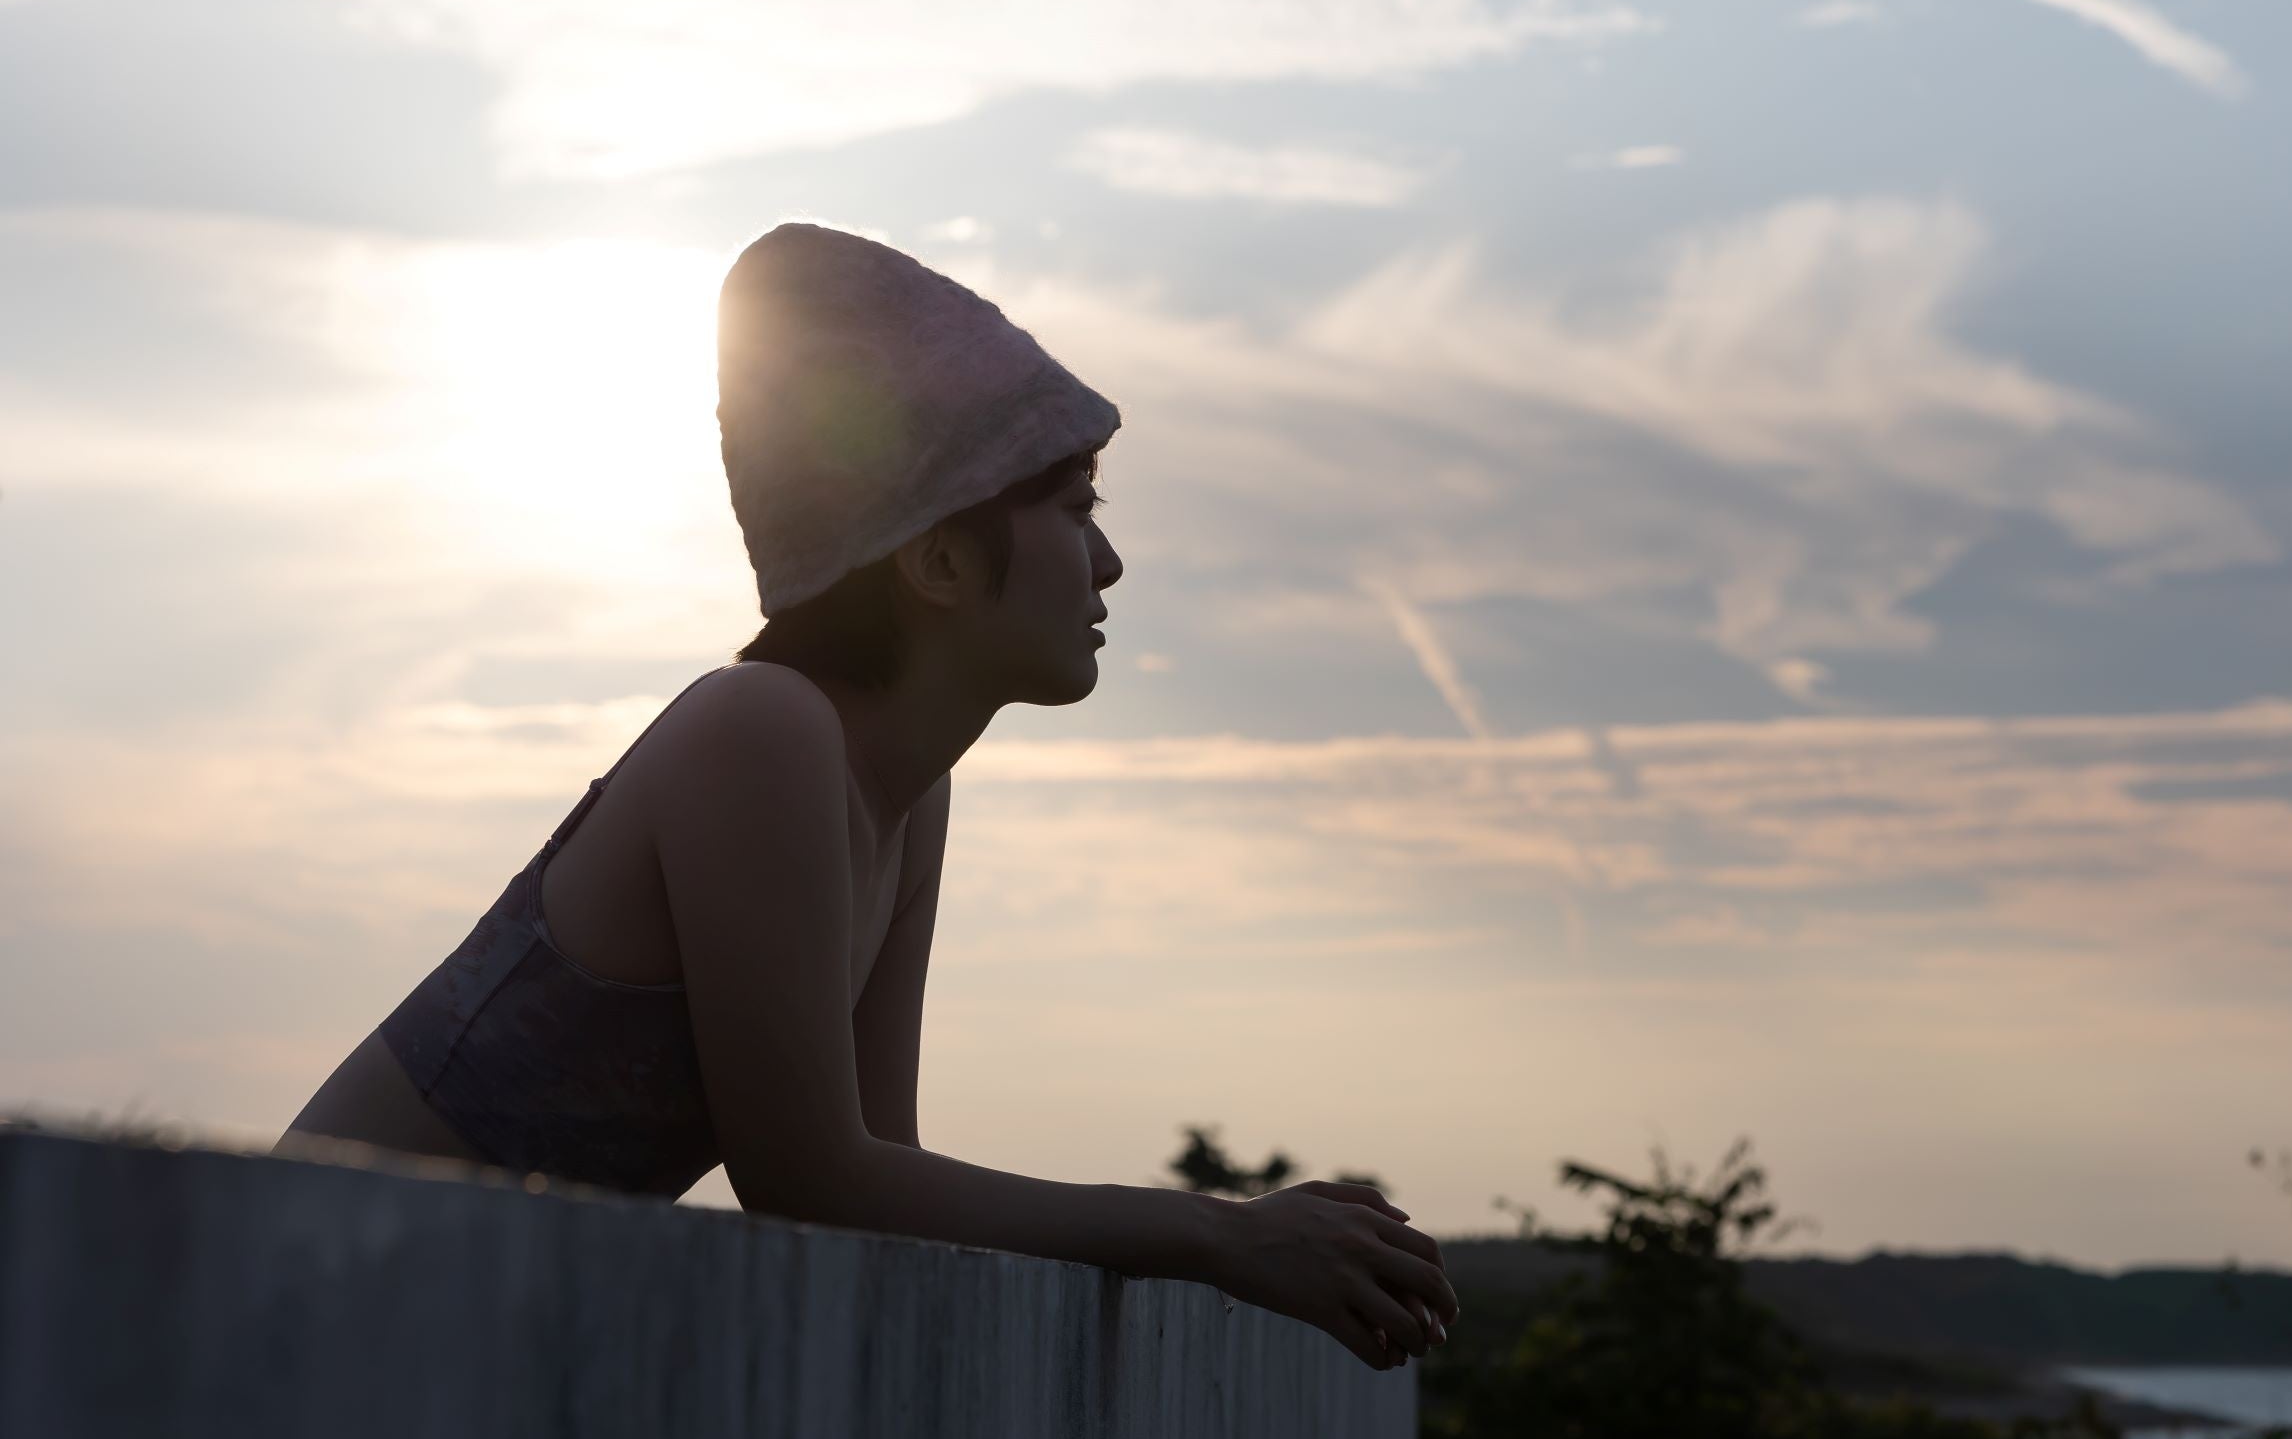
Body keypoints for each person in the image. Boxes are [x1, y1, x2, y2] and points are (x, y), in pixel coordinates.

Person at [281, 220, 1454, 1371]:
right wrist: (1221, 1236)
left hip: (414, 1340)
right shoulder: (761, 729)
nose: (1107, 562)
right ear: (938, 561)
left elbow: (880, 1169)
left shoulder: (902, 789)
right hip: (291, 1308)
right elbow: (810, 1181)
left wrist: (1233, 1238)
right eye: (1076, 510)